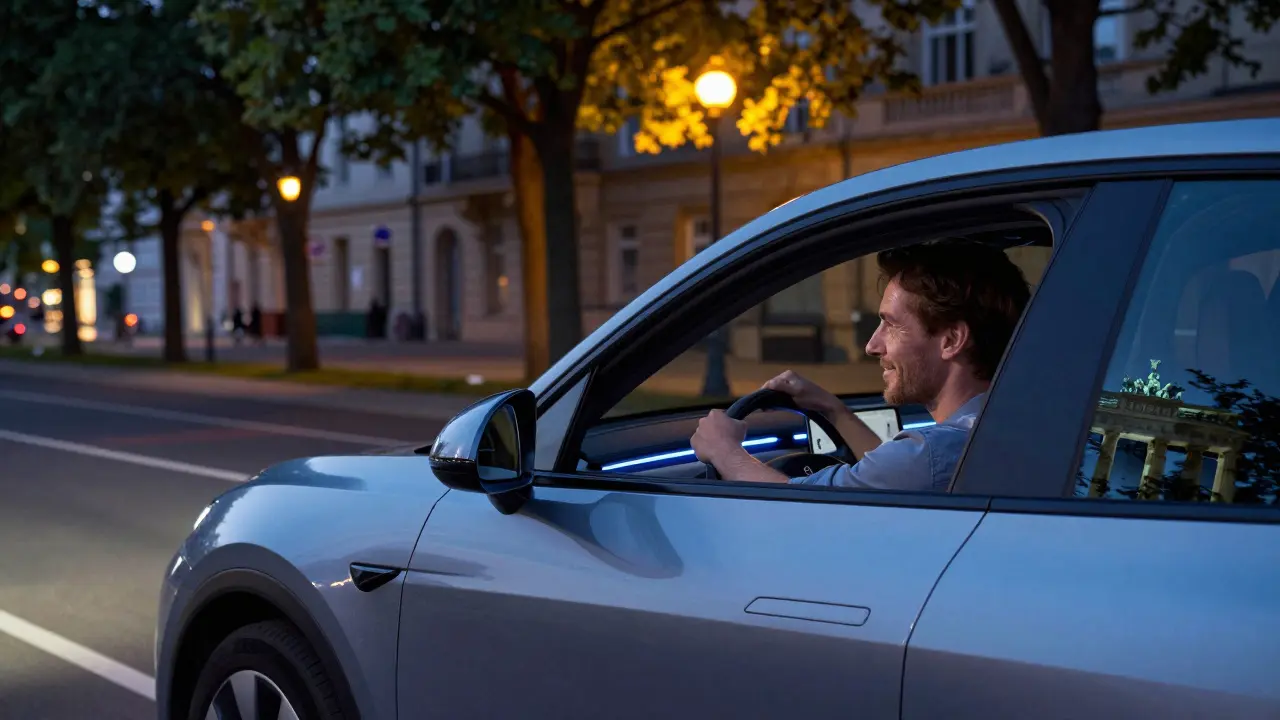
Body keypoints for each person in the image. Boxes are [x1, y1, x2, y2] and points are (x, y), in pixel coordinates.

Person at [690, 239, 1032, 492]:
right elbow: (893, 477)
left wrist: (725, 451)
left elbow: (797, 503)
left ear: (951, 340)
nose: (872, 345)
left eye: (892, 324)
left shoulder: (936, 452)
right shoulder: (1002, 427)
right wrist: (833, 410)